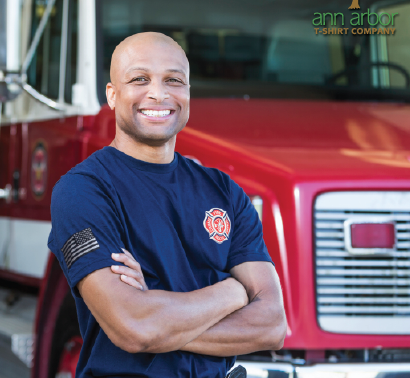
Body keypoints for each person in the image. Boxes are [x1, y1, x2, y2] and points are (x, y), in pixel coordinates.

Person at [48, 32, 287, 378]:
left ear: (188, 93)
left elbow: (272, 325)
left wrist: (156, 313)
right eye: (139, 79)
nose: (158, 93)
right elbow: (133, 327)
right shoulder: (83, 190)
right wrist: (233, 292)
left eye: (174, 80)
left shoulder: (224, 192)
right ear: (112, 96)